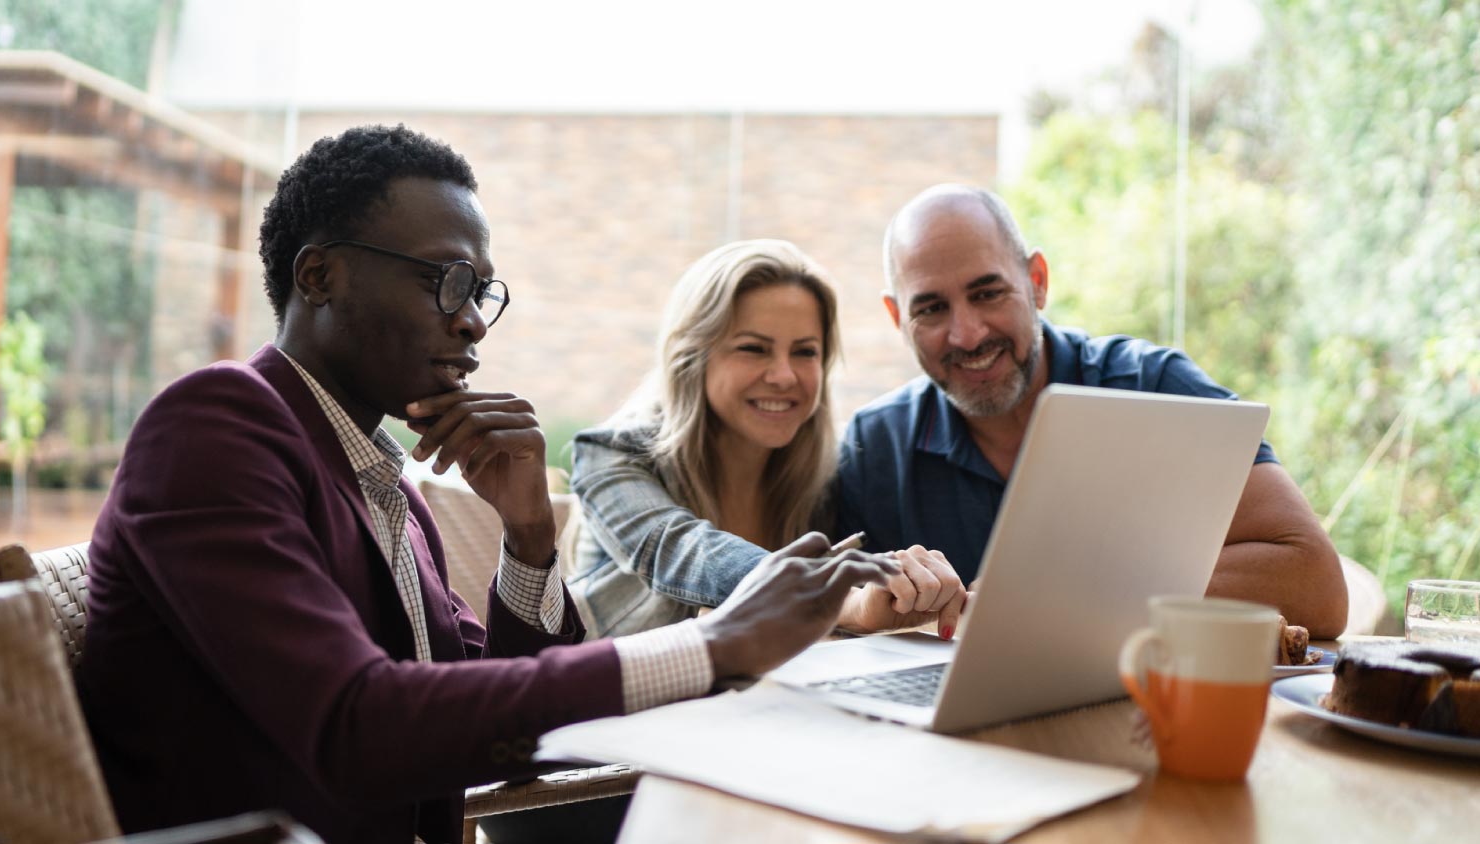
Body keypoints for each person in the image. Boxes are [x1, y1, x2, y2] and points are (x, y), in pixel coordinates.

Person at [75, 125, 901, 844]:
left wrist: (531, 538)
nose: (472, 320)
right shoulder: (217, 424)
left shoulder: (380, 483)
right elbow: (359, 726)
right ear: (320, 277)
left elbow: (502, 717)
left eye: (481, 292)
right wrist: (714, 644)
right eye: (448, 280)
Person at [835, 184, 1349, 638]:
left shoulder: (1155, 387)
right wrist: (861, 606)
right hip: (940, 735)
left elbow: (1316, 585)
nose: (967, 334)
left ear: (1037, 281)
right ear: (897, 317)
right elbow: (803, 596)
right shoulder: (873, 446)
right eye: (930, 308)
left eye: (988, 293)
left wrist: (1071, 593)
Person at [569, 240, 968, 640]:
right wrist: (841, 599)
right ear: (692, 357)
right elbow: (682, 553)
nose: (784, 376)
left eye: (804, 352)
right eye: (753, 349)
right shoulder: (610, 455)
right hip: (612, 698)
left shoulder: (829, 474)